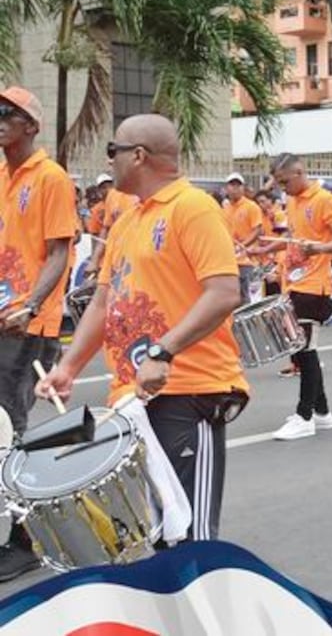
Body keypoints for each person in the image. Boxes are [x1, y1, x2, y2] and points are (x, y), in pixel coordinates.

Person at [36, 114, 250, 545]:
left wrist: (163, 352)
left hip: (188, 391)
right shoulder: (128, 221)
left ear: (138, 155)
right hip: (134, 399)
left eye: (113, 151)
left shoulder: (192, 208)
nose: (108, 161)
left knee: (192, 538)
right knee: (154, 535)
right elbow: (103, 300)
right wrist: (69, 366)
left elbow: (225, 292)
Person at [0, 86, 76, 581]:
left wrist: (29, 304)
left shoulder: (49, 177)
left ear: (32, 126)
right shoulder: (2, 175)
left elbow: (59, 251)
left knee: (16, 427)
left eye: (9, 113)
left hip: (28, 324)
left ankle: (26, 541)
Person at [266, 154, 332, 440]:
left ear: (300, 172)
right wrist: (262, 250)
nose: (282, 188)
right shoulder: (292, 201)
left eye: (285, 181)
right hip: (294, 282)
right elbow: (290, 237)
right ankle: (322, 412)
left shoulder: (324, 199)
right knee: (303, 349)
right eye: (279, 183)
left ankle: (305, 415)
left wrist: (319, 250)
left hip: (315, 286)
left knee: (305, 349)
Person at [223, 172, 264, 304]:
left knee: (246, 299)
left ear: (243, 188)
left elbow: (257, 229)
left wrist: (243, 246)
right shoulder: (225, 208)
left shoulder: (251, 207)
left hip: (247, 260)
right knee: (232, 299)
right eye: (232, 185)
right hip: (229, 260)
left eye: (238, 185)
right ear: (226, 188)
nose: (235, 188)